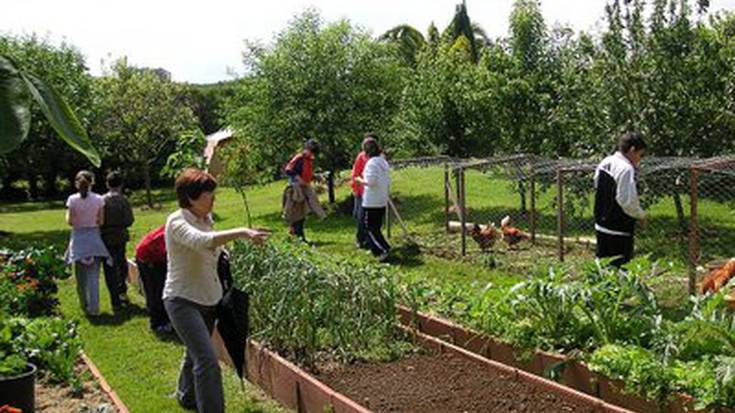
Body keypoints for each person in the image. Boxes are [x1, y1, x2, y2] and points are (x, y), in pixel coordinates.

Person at [164, 168, 269, 413]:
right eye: (209, 195)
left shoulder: (206, 220)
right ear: (191, 198)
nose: (214, 199)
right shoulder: (177, 221)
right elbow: (200, 241)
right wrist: (242, 232)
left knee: (195, 353)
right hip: (182, 300)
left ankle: (186, 396)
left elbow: (211, 250)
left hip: (209, 299)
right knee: (208, 360)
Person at [594, 131, 647, 267]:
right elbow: (626, 201)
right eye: (640, 155)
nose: (639, 159)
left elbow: (596, 184)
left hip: (601, 222)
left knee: (602, 263)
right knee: (619, 266)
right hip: (618, 227)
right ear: (632, 150)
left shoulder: (606, 161)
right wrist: (641, 215)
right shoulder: (626, 168)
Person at [64, 170, 110, 316]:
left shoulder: (72, 199)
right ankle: (95, 308)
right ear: (93, 182)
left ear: (76, 183)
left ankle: (84, 304)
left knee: (80, 278)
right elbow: (101, 221)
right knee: (93, 278)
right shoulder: (99, 199)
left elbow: (70, 222)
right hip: (94, 239)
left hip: (78, 240)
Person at [100, 171, 135, 311]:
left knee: (109, 267)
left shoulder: (102, 200)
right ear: (121, 184)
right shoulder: (123, 200)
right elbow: (129, 220)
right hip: (120, 236)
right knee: (121, 264)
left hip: (105, 236)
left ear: (107, 184)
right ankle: (122, 291)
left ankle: (114, 298)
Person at [282, 139, 326, 242]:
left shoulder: (309, 159)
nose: (312, 154)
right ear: (306, 149)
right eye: (311, 152)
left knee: (303, 212)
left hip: (304, 187)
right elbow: (289, 170)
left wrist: (315, 177)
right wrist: (299, 179)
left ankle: (297, 235)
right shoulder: (299, 158)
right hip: (295, 189)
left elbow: (306, 174)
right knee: (297, 212)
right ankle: (298, 237)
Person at [355, 139, 391, 262]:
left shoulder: (371, 163)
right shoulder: (383, 162)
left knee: (369, 228)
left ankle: (383, 250)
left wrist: (359, 180)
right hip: (382, 199)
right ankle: (377, 248)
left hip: (372, 201)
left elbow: (371, 182)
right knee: (376, 227)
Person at [134, 224, 171, 335]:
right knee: (156, 290)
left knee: (159, 289)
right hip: (148, 258)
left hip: (153, 255)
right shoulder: (173, 234)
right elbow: (168, 256)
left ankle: (164, 318)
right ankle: (158, 323)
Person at [351, 135, 377, 249]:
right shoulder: (361, 157)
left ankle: (370, 239)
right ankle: (360, 239)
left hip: (374, 192)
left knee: (371, 217)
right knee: (361, 217)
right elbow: (355, 173)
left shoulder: (378, 157)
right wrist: (356, 190)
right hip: (362, 191)